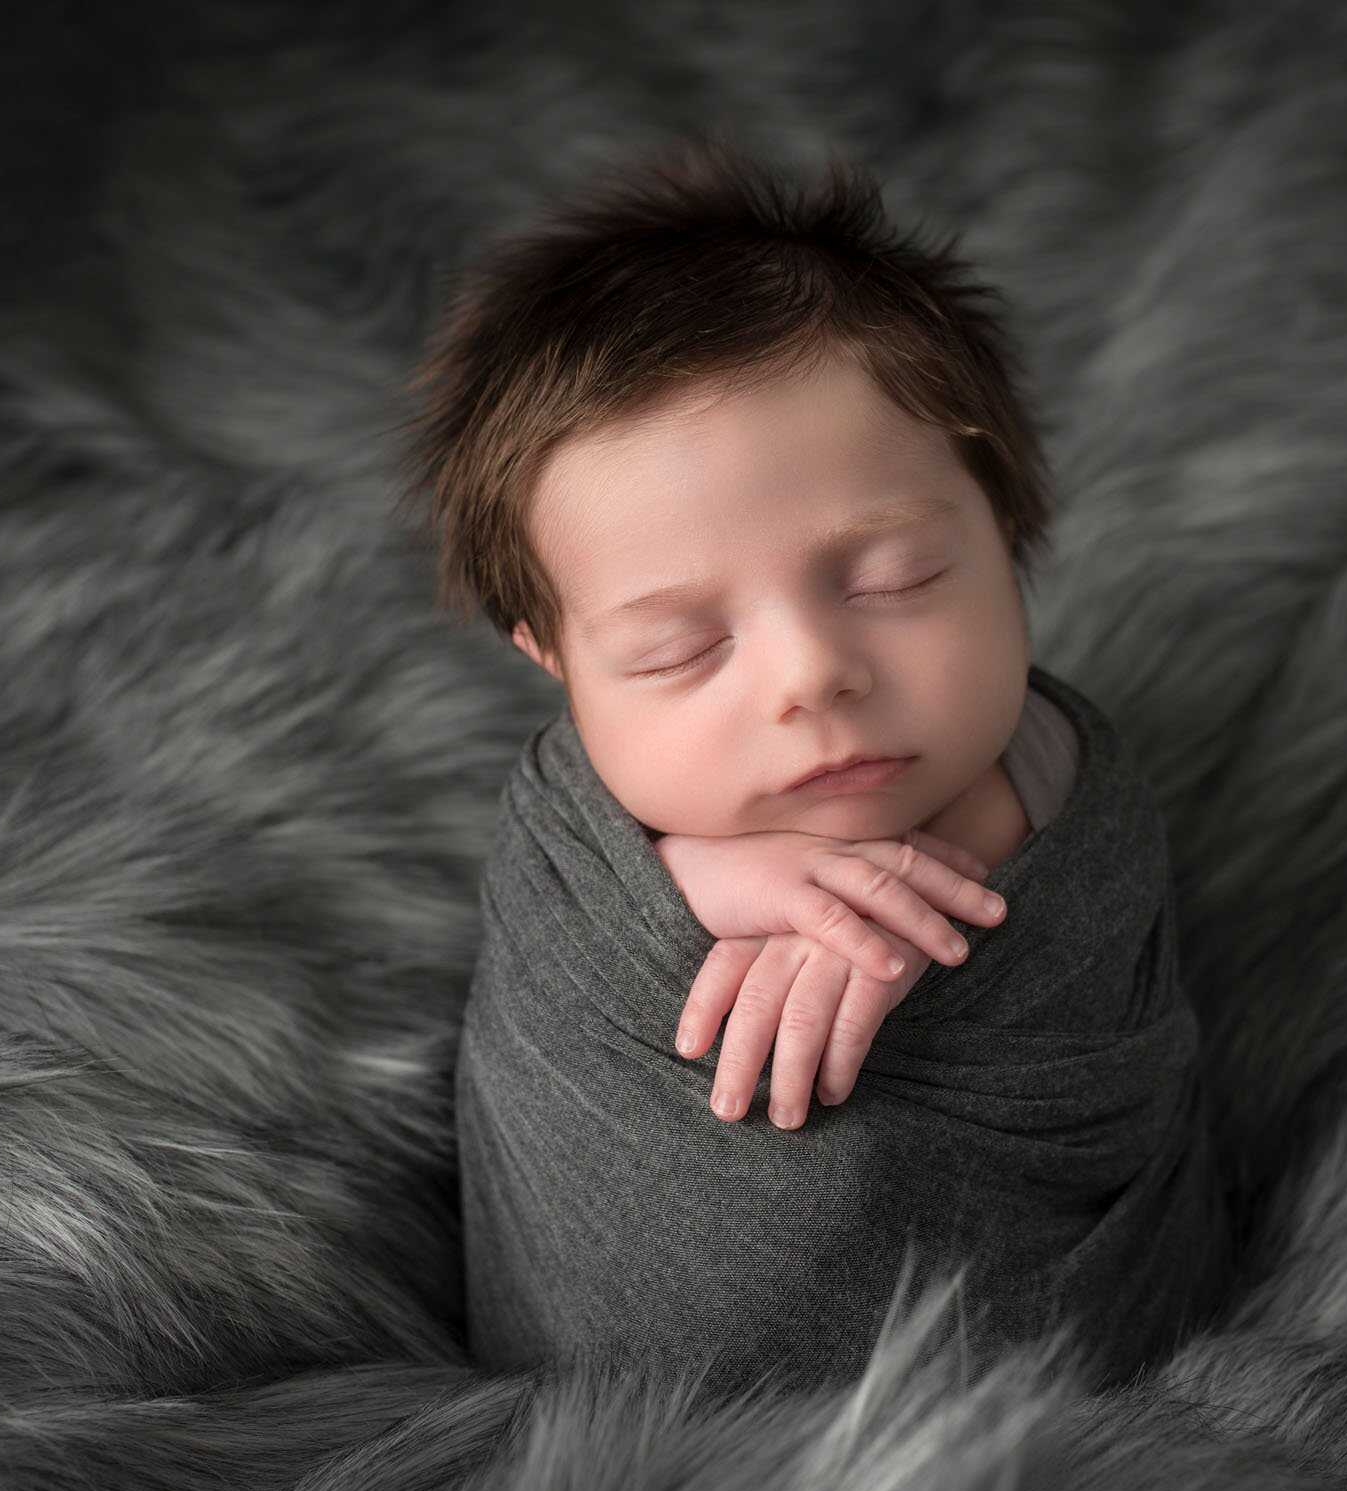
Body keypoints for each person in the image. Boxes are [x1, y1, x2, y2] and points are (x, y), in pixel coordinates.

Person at [400, 136, 1227, 1393]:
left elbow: (1062, 887)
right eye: (679, 650)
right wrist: (692, 884)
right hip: (609, 1414)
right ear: (554, 660)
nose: (809, 678)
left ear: (1004, 529)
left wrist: (938, 867)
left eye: (895, 580)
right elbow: (558, 957)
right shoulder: (572, 841)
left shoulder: (1064, 788)